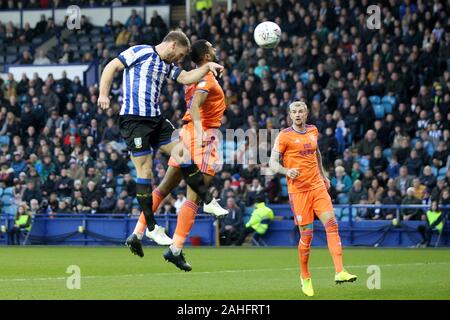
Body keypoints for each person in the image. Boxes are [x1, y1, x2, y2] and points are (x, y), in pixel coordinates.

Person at [98, 31, 226, 247]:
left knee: (184, 154)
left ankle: (208, 201)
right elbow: (112, 66)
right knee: (145, 172)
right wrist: (103, 93)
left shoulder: (165, 65)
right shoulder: (140, 51)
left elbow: (185, 77)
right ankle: (151, 228)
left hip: (156, 120)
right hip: (134, 121)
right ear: (173, 45)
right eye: (181, 54)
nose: (180, 59)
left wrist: (207, 67)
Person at [127, 40, 229, 271]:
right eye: (212, 48)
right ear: (205, 55)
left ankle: (138, 232)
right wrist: (203, 134)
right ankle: (175, 249)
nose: (215, 49)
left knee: (164, 187)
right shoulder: (206, 78)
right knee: (193, 197)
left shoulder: (195, 76)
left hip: (185, 134)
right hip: (200, 136)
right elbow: (195, 107)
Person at [269, 101, 357, 297]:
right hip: (299, 192)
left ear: (306, 113)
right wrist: (286, 170)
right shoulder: (284, 136)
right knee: (307, 236)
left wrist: (324, 175)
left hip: (317, 186)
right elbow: (272, 162)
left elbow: (316, 152)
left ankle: (340, 271)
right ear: (290, 115)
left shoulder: (313, 130)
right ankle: (305, 276)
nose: (297, 114)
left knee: (332, 224)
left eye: (300, 111)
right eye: (294, 112)